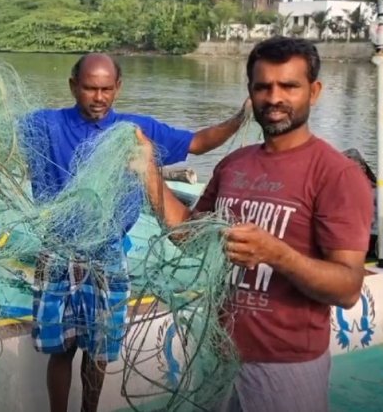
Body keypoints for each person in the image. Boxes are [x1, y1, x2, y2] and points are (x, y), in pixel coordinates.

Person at [139, 37, 373, 412]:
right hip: (217, 354)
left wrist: (278, 254)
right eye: (263, 86)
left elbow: (347, 287)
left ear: (314, 92)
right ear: (250, 92)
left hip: (286, 367)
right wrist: (148, 170)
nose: (274, 98)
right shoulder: (234, 164)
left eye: (289, 86)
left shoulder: (337, 175)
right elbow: (188, 235)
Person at [24, 52, 247, 412]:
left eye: (107, 89)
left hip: (108, 254)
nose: (99, 97)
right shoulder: (44, 124)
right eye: (90, 88)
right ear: (72, 86)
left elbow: (199, 142)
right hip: (57, 252)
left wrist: (240, 118)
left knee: (97, 353)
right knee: (60, 349)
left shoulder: (135, 131)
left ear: (118, 87)